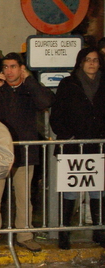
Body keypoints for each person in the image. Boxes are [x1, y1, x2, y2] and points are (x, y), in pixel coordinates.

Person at [0, 52, 54, 252]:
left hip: (25, 150)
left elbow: (45, 102)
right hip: (0, 151)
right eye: (5, 67)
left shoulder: (30, 89)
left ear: (22, 68)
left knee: (24, 196)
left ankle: (25, 234)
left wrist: (29, 80)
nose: (9, 71)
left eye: (13, 66)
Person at [50, 47, 105, 249]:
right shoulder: (68, 84)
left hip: (98, 146)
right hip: (73, 146)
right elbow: (57, 116)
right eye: (88, 60)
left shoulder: (104, 83)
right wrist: (69, 136)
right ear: (81, 62)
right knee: (70, 190)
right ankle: (64, 233)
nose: (92, 63)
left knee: (97, 189)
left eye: (96, 60)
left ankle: (99, 232)